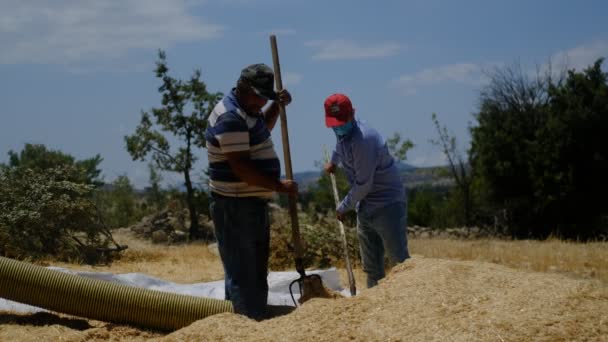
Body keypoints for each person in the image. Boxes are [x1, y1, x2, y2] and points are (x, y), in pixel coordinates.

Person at [205, 63, 297, 320]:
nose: (261, 103)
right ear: (245, 88)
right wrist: (279, 186)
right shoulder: (231, 117)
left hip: (249, 204)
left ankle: (249, 321)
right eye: (260, 97)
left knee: (253, 273)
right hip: (235, 206)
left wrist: (276, 106)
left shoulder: (248, 109)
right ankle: (245, 327)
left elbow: (261, 130)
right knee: (244, 276)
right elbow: (242, 169)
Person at [323, 93, 410, 288]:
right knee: (372, 268)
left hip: (387, 205)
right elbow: (339, 146)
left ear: (352, 115)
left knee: (400, 263)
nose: (338, 127)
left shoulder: (364, 140)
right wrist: (333, 162)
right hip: (365, 205)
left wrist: (343, 207)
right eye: (334, 124)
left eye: (341, 122)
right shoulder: (343, 135)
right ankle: (374, 309)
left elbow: (363, 184)